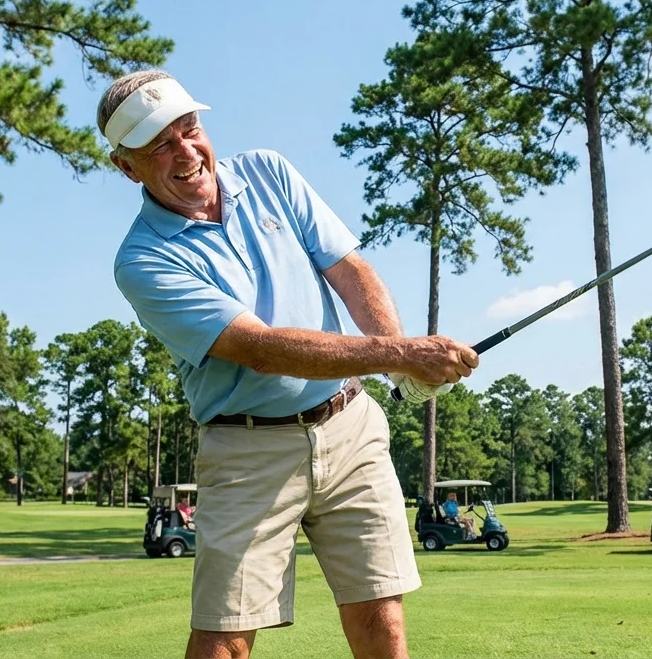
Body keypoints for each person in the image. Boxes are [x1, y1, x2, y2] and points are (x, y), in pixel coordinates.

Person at [103, 70, 478, 659]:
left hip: (349, 427)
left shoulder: (268, 172)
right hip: (248, 451)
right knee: (224, 638)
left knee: (382, 617)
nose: (185, 152)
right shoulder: (142, 260)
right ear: (127, 166)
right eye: (160, 145)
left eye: (189, 128)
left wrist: (399, 361)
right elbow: (261, 347)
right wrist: (402, 355)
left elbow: (350, 272)